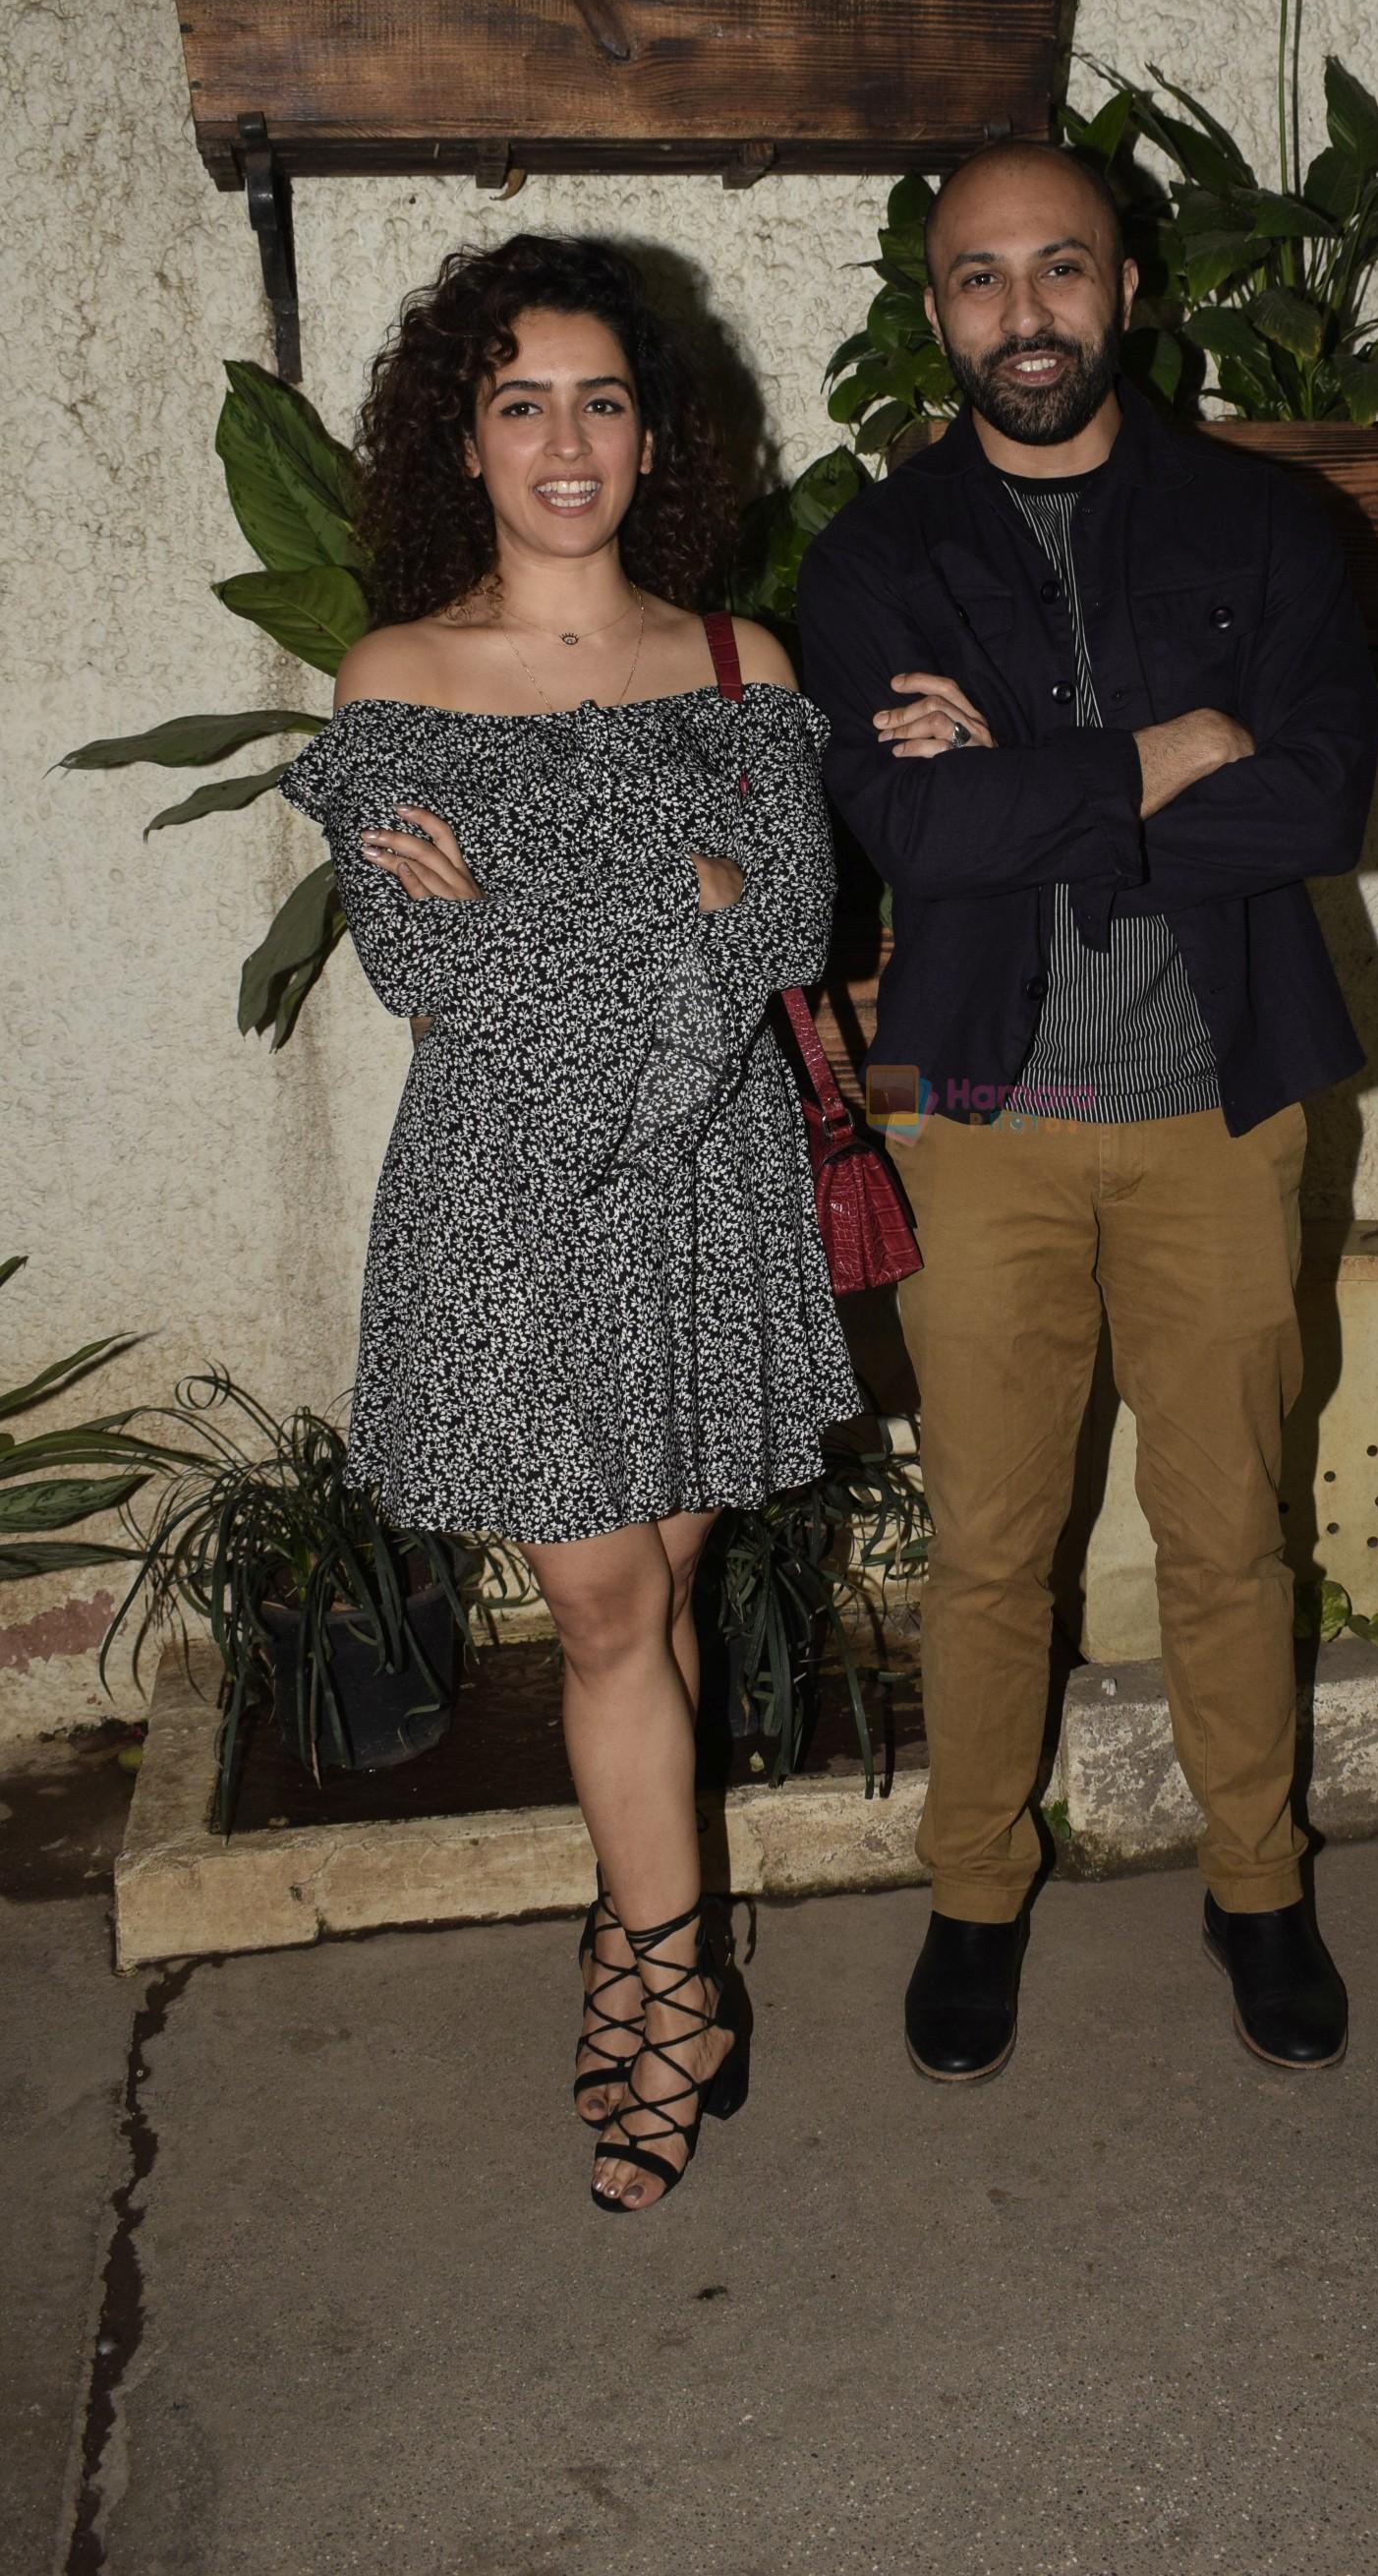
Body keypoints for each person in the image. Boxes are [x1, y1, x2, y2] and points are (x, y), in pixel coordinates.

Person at [278, 233, 860, 2211]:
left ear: (649, 433)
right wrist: (674, 876)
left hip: (711, 1183)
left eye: (600, 397)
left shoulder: (736, 662)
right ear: (465, 436)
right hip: (512, 1195)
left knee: (663, 1605)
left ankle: (630, 1950)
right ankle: (683, 1982)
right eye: (519, 397)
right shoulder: (396, 676)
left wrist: (553, 886)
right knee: (607, 1604)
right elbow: (423, 971)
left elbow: (794, 922)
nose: (564, 435)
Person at [797, 140, 1378, 2083]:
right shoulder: (877, 557)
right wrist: (1151, 753)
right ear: (938, 306)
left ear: (1127, 287)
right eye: (980, 277)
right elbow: (911, 824)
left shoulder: (1273, 530)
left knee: (1229, 1530)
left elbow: (1316, 801)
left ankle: (1257, 1880)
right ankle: (973, 1893)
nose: (1023, 312)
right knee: (989, 1547)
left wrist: (1034, 776)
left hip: (1223, 1113)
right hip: (979, 1120)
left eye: (1061, 269)